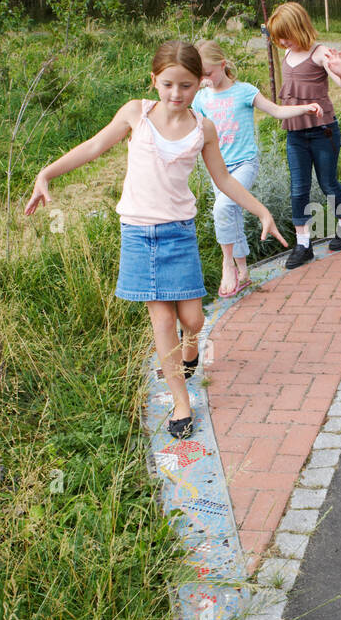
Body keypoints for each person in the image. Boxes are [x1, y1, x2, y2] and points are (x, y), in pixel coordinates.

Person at [24, 40, 287, 440]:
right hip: (138, 235)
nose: (176, 94)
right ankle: (182, 401)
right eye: (167, 85)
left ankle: (193, 342)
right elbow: (95, 146)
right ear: (154, 81)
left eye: (185, 86)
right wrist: (47, 173)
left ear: (199, 84)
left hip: (178, 233)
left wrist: (262, 211)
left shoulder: (204, 129)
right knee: (162, 320)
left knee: (192, 320)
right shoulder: (136, 113)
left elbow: (224, 179)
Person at [194, 40, 323, 297]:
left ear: (222, 65)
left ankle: (227, 264)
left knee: (222, 208)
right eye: (199, 75)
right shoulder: (200, 98)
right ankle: (243, 272)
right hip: (216, 169)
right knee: (231, 215)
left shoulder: (243, 91)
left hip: (243, 165)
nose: (205, 79)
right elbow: (191, 128)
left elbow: (275, 110)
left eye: (208, 73)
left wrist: (305, 108)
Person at [266, 2, 341, 268]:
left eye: (286, 35)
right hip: (295, 132)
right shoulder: (286, 53)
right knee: (299, 189)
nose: (282, 41)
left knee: (328, 183)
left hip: (323, 131)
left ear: (300, 28)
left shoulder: (320, 53)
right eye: (278, 37)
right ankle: (303, 244)